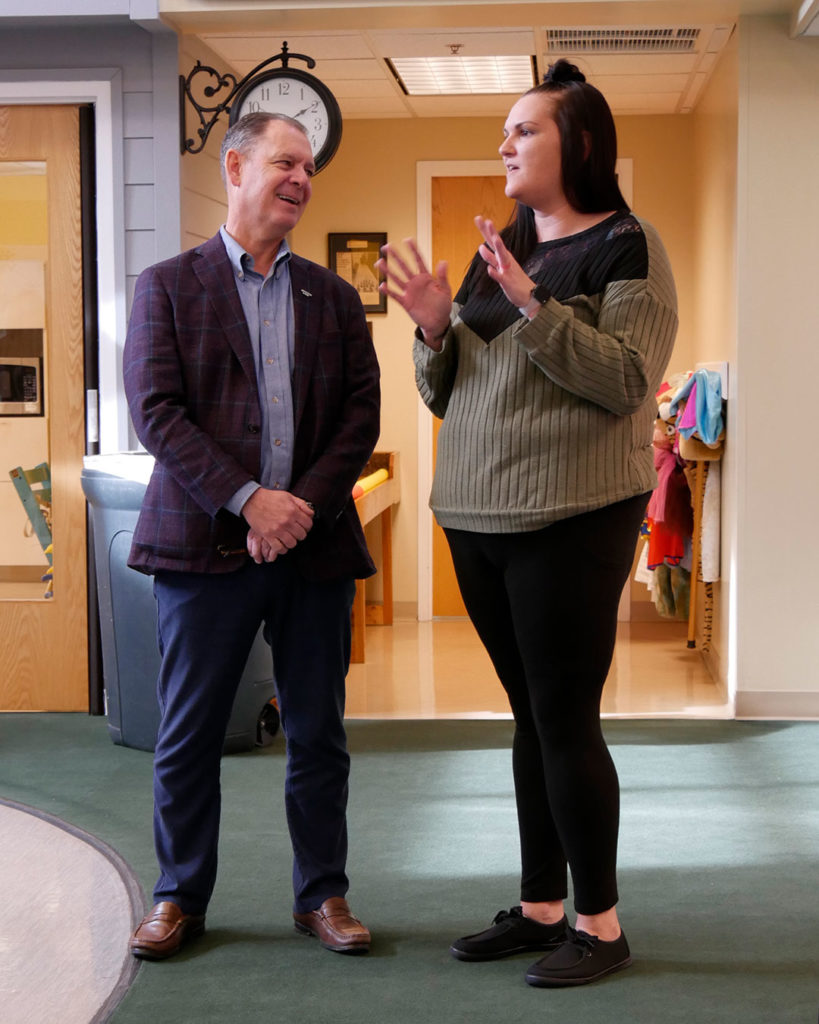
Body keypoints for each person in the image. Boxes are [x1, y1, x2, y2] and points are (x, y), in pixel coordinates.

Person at [377, 59, 677, 987]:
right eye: (503, 131)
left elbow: (625, 379)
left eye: (524, 130)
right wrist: (433, 330)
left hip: (570, 518)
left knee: (564, 716)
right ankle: (543, 905)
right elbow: (448, 394)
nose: (503, 144)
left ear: (578, 144)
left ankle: (600, 924)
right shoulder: (499, 248)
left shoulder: (626, 245)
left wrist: (529, 303)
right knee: (528, 716)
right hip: (475, 514)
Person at [123, 112, 380, 961]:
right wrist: (246, 501)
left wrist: (295, 506)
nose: (301, 179)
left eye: (308, 166)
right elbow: (158, 413)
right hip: (201, 548)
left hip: (312, 551)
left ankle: (323, 895)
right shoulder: (167, 285)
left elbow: (357, 415)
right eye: (284, 162)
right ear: (234, 166)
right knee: (190, 732)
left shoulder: (334, 297)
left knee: (318, 732)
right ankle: (178, 896)